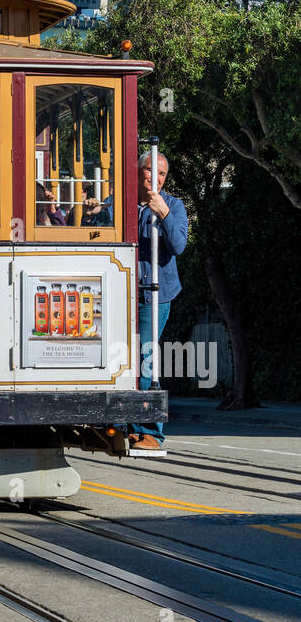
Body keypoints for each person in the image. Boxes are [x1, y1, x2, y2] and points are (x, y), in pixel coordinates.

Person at [130, 150, 188, 455]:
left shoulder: (174, 205)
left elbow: (178, 245)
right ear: (137, 170)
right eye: (151, 170)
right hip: (122, 293)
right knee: (120, 362)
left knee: (145, 360)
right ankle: (127, 426)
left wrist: (163, 213)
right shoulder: (120, 205)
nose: (157, 178)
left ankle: (151, 432)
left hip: (155, 296)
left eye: (162, 173)